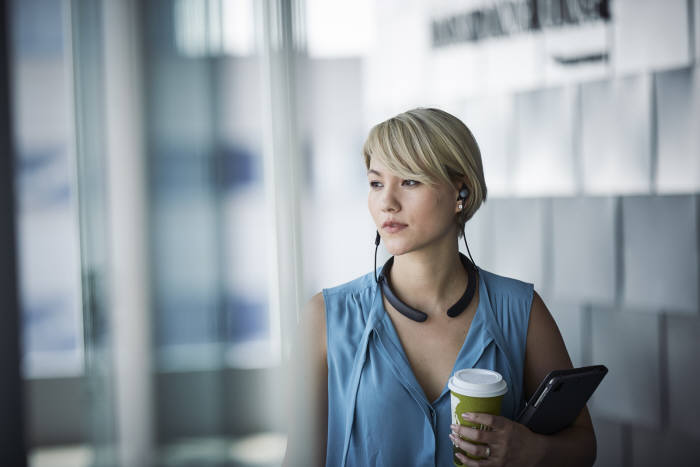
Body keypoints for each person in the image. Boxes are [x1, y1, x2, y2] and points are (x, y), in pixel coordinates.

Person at [283, 108, 596, 466]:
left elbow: (585, 446)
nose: (387, 201)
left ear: (459, 191)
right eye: (376, 183)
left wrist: (530, 450)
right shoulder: (325, 319)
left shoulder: (522, 310)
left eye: (410, 182)